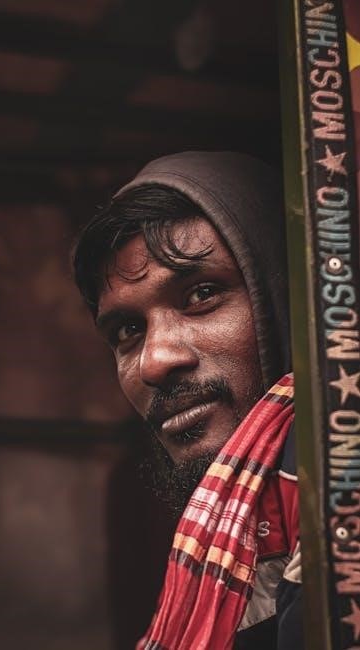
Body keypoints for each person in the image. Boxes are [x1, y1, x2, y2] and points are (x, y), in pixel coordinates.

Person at [73, 151, 303, 649]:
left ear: (285, 298)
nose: (153, 362)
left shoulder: (330, 481)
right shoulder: (214, 529)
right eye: (128, 330)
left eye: (202, 294)